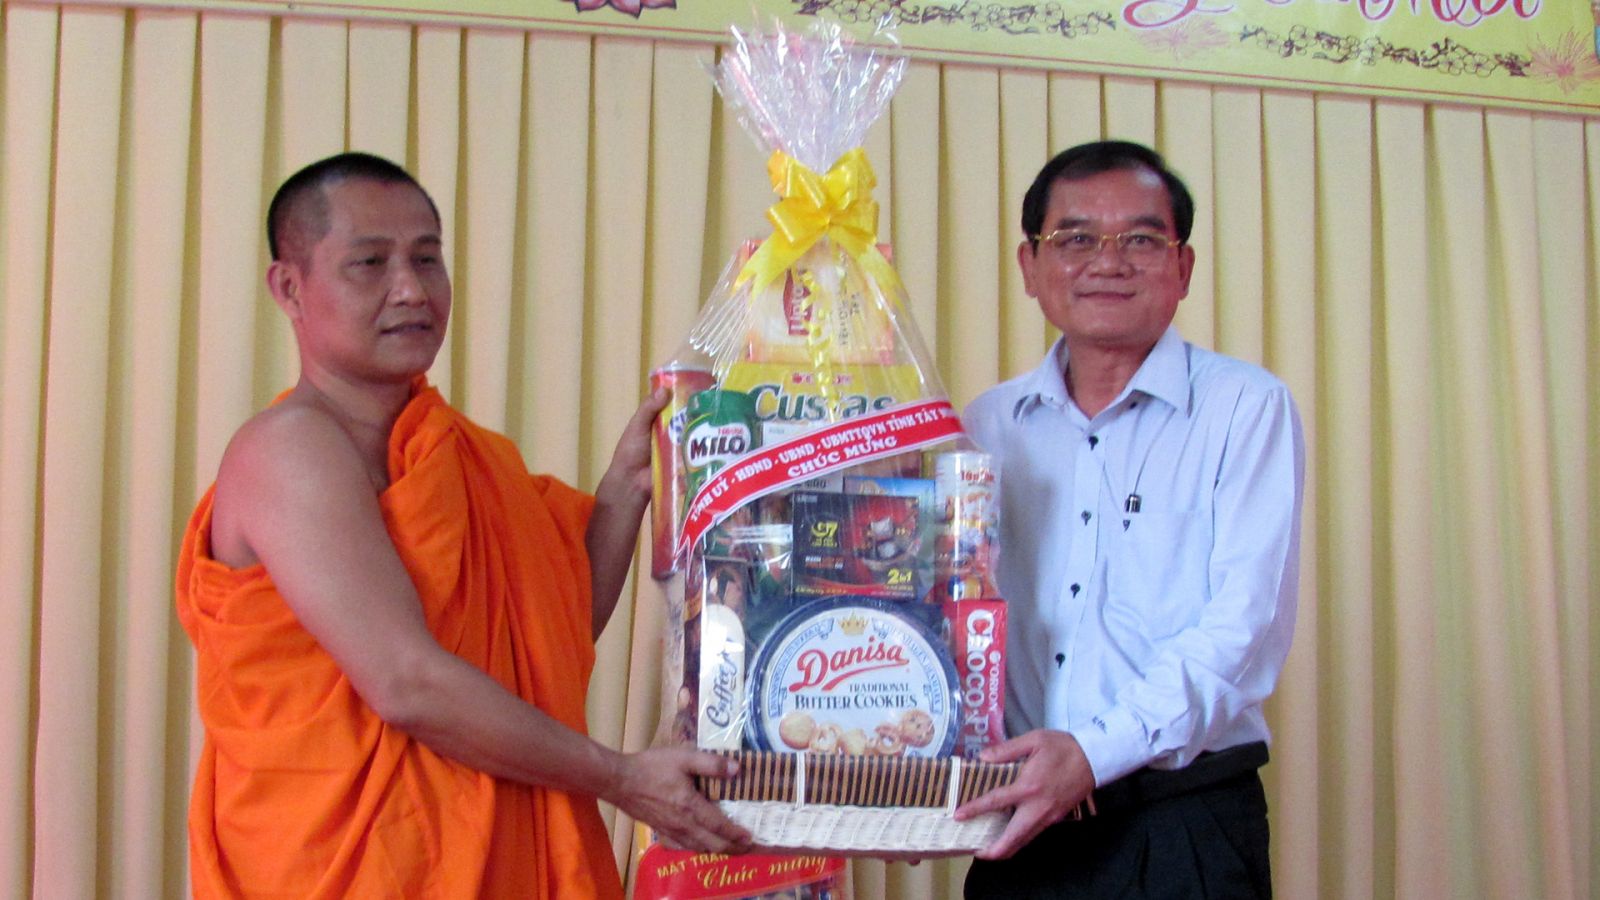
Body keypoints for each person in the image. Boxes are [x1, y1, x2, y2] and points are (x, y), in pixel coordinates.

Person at [175, 152, 752, 899]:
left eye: (426, 258)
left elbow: (551, 632)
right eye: (369, 263)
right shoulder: (287, 451)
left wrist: (628, 488)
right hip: (349, 869)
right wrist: (621, 778)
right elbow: (406, 682)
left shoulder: (456, 457)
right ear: (290, 287)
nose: (410, 289)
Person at [953, 141, 1304, 898]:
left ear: (1184, 267)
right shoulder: (986, 426)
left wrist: (1092, 753)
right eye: (1075, 238)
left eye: (1141, 240)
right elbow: (953, 609)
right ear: (1029, 266)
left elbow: (1244, 627)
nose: (1107, 262)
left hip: (1180, 826)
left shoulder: (1244, 409)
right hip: (1019, 824)